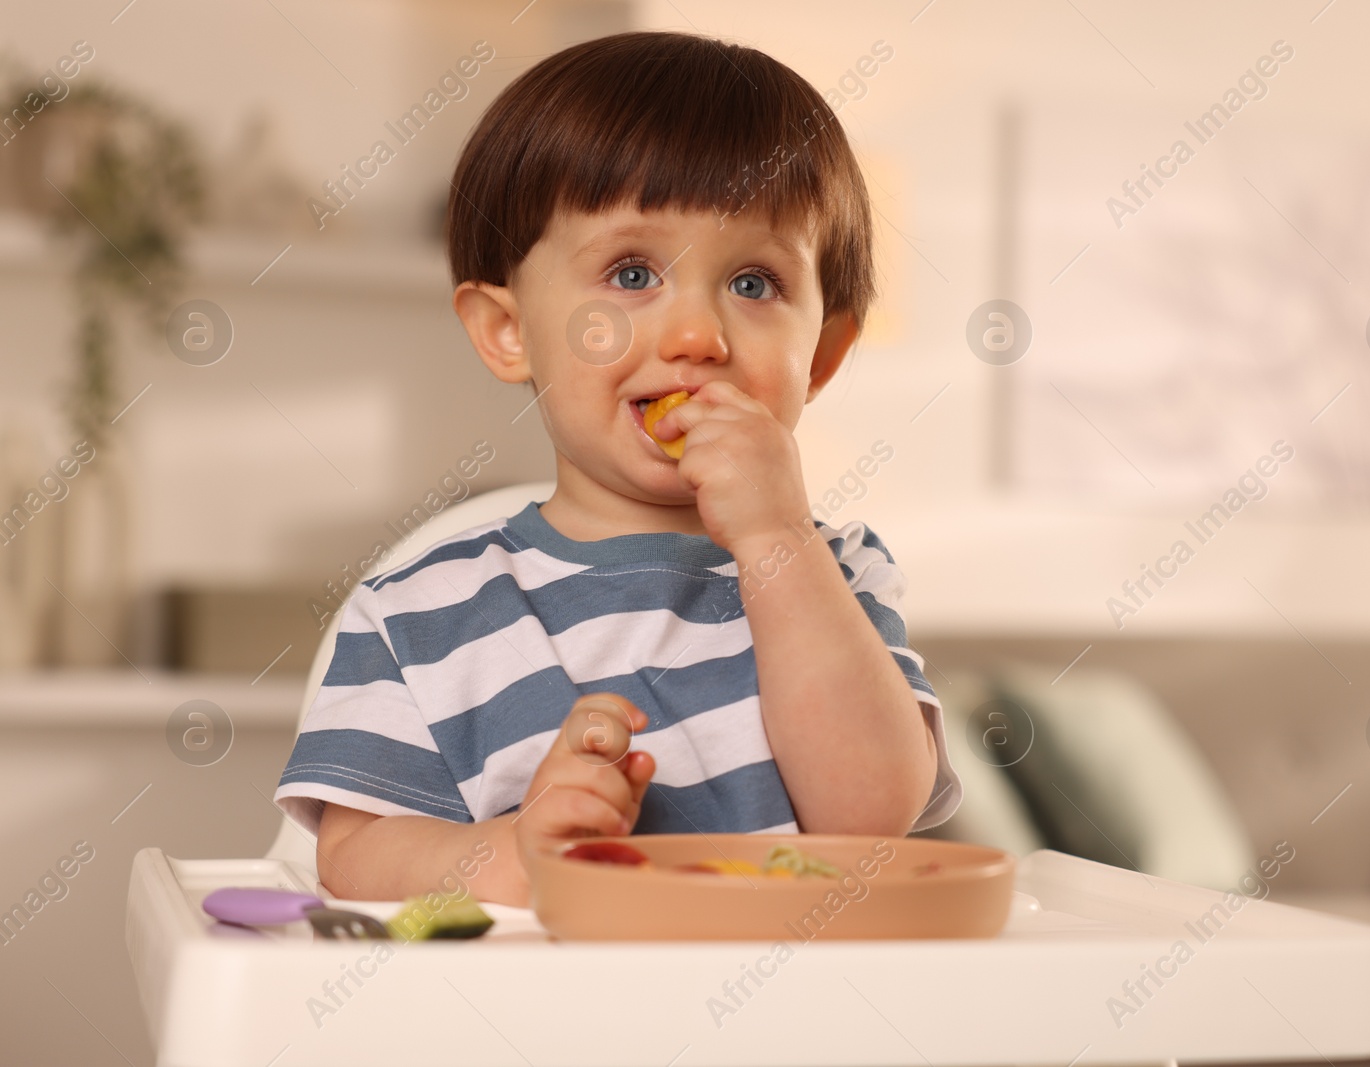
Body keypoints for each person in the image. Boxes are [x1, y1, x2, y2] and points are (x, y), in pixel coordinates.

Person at [274, 31, 959, 905]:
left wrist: (775, 537)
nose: (697, 336)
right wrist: (512, 855)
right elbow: (355, 856)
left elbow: (870, 816)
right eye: (632, 271)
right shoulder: (416, 614)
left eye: (754, 283)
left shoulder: (837, 574)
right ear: (508, 329)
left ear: (822, 358)